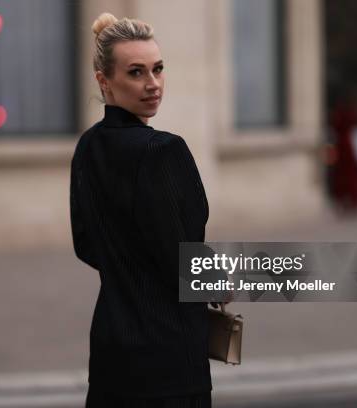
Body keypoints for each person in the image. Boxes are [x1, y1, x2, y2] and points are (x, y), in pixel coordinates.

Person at [70, 12, 214, 407]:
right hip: (169, 359)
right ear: (104, 81)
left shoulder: (87, 147)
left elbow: (85, 245)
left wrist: (128, 269)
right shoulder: (163, 150)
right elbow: (185, 263)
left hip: (110, 354)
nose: (153, 84)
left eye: (158, 69)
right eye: (136, 72)